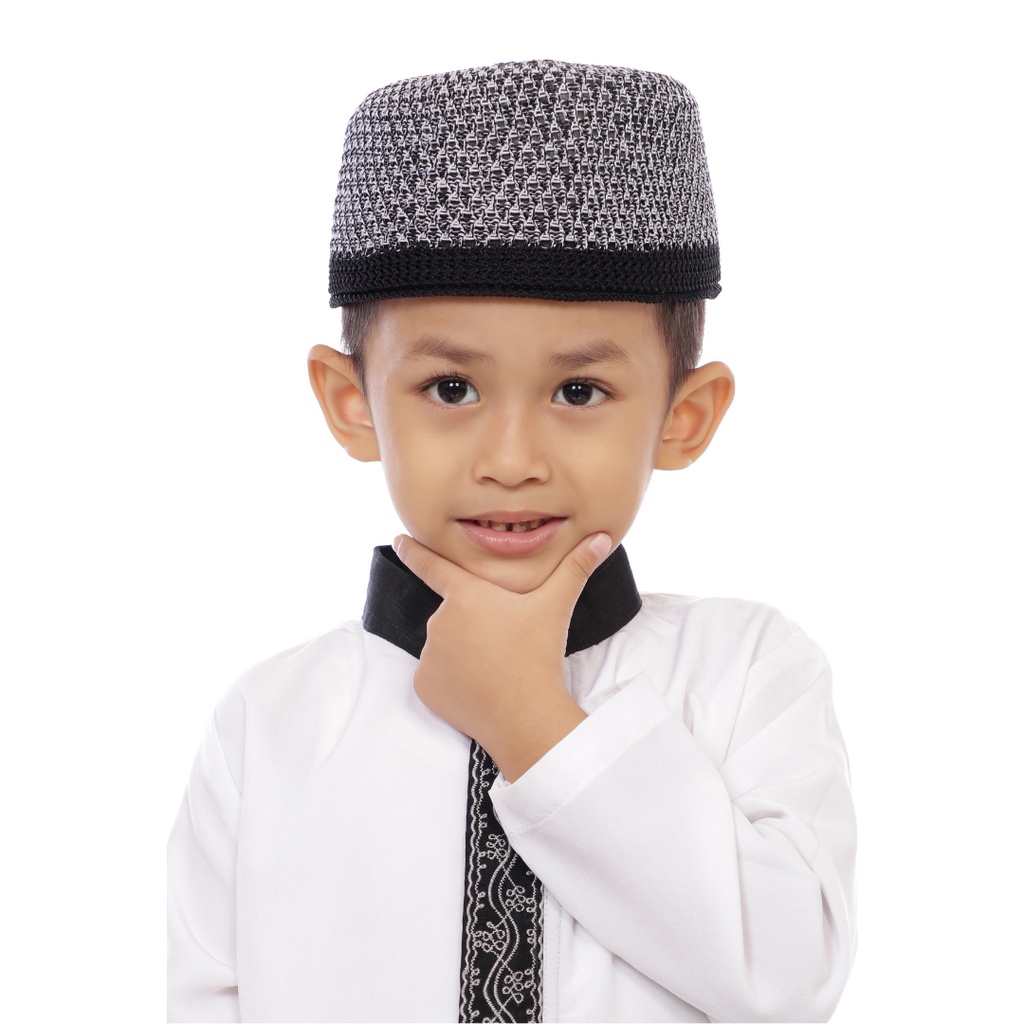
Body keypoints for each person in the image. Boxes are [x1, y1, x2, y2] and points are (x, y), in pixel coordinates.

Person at [167, 59, 856, 1023]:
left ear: (684, 416)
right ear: (350, 402)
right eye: (451, 389)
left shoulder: (746, 673)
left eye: (579, 391)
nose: (512, 459)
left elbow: (788, 976)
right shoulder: (268, 725)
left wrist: (534, 722)